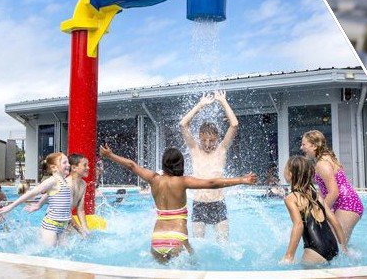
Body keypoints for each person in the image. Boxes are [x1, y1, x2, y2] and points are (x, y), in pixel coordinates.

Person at [99, 144, 254, 264]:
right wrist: (241, 180)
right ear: (180, 164)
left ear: (164, 164)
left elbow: (132, 165)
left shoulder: (153, 178)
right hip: (177, 236)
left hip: (157, 238)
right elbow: (212, 183)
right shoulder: (182, 182)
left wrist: (110, 155)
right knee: (193, 266)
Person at [180, 90, 241, 240]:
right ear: (199, 137)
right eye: (204, 140)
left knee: (224, 245)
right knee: (199, 245)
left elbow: (234, 124)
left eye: (212, 141)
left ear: (217, 138)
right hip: (199, 204)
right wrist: (200, 105)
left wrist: (223, 101)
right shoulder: (194, 149)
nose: (207, 144)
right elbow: (183, 124)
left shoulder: (221, 149)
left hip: (218, 203)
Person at [0, 153, 88, 247]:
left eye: (68, 162)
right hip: (50, 226)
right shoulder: (53, 180)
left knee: (64, 253)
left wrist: (39, 205)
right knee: (48, 253)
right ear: (54, 168)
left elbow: (52, 194)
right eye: (64, 162)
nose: (68, 165)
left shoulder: (64, 181)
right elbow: (32, 192)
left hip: (62, 226)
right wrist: (11, 206)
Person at [301, 130, 363, 246]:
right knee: (337, 245)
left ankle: (354, 262)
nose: (301, 147)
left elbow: (334, 192)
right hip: (347, 204)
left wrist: (319, 212)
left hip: (347, 205)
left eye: (304, 144)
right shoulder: (327, 158)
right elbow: (325, 188)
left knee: (337, 246)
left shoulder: (322, 164)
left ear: (314, 146)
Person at [282, 155, 343, 265]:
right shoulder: (317, 195)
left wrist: (289, 255)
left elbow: (299, 225)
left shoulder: (291, 198)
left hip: (315, 250)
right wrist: (344, 247)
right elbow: (334, 221)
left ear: (290, 174)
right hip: (333, 247)